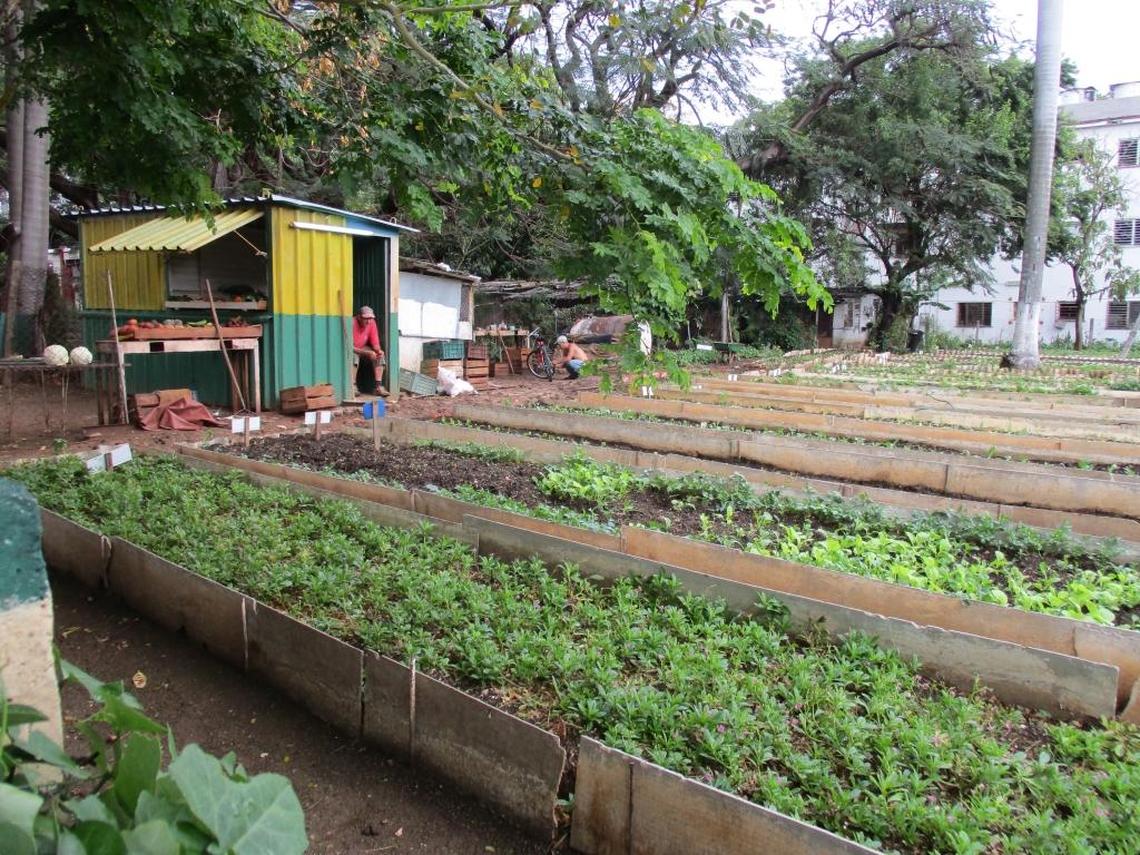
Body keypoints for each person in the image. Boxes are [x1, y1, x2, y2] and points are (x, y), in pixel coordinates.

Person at [352, 306, 386, 395]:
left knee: (379, 356)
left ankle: (378, 387)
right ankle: (352, 386)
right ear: (359, 317)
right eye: (366, 318)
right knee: (354, 357)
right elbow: (348, 347)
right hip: (352, 349)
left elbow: (375, 343)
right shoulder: (352, 322)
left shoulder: (371, 323)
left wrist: (378, 351)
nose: (368, 321)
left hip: (362, 347)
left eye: (370, 318)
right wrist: (365, 353)